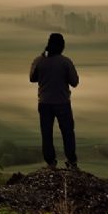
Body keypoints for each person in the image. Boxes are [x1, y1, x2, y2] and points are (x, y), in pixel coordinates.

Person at [29, 33, 80, 170]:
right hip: (62, 102)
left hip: (44, 103)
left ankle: (50, 162)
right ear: (62, 46)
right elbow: (74, 82)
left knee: (46, 133)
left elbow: (32, 78)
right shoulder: (65, 62)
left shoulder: (39, 60)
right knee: (68, 132)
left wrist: (42, 57)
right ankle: (71, 161)